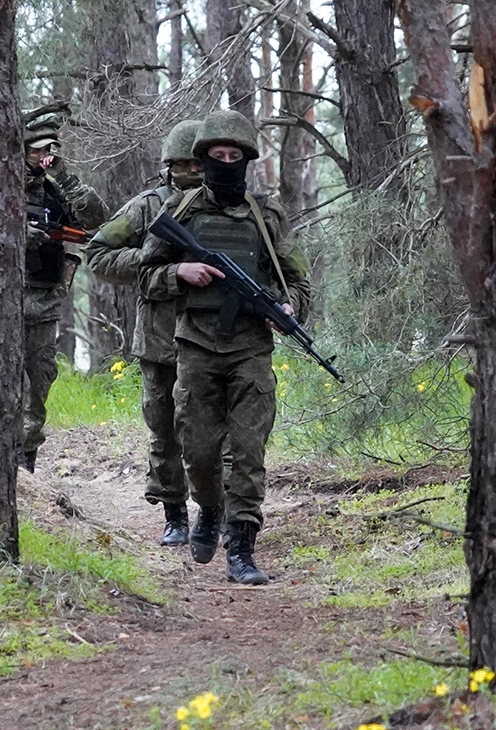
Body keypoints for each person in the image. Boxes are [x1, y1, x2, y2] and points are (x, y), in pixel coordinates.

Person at [138, 109, 312, 584]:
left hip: (250, 348)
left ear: (247, 160)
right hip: (194, 346)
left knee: (249, 451)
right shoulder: (181, 211)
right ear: (204, 157)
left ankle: (242, 548)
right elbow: (145, 275)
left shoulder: (267, 215)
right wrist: (179, 271)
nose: (228, 163)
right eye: (219, 155)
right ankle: (209, 508)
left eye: (236, 157)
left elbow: (299, 280)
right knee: (198, 450)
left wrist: (289, 308)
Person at [84, 120, 203, 546]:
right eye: (185, 164)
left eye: (200, 163)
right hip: (160, 336)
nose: (194, 171)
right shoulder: (148, 207)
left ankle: (220, 514)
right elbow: (98, 254)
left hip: (214, 335)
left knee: (215, 429)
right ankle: (174, 513)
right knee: (164, 428)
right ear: (169, 165)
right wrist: (156, 261)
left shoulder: (228, 204)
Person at [19, 114, 108, 473]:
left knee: (39, 381)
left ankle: (26, 460)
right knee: (2, 383)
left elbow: (96, 219)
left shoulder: (57, 192)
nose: (45, 156)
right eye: (38, 150)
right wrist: (14, 234)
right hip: (0, 302)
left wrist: (65, 176)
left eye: (51, 150)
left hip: (43, 303)